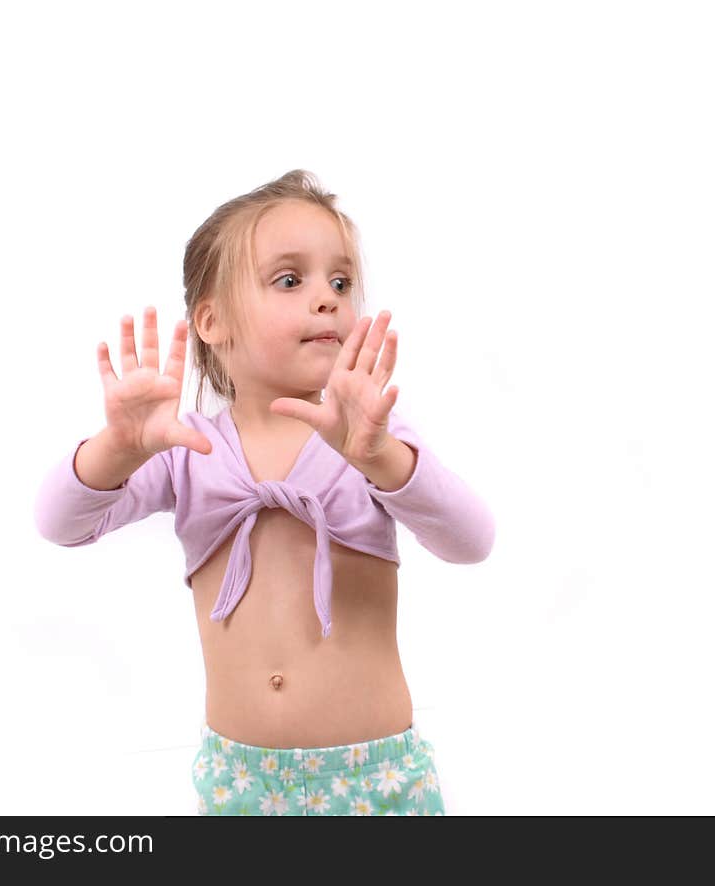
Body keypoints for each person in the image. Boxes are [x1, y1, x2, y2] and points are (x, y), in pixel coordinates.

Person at [34, 169, 496, 815]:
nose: (328, 298)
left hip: (374, 779)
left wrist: (382, 457)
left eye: (340, 282)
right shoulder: (182, 447)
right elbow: (58, 522)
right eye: (290, 279)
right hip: (238, 784)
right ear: (212, 320)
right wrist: (119, 447)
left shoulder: (365, 437)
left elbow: (472, 541)